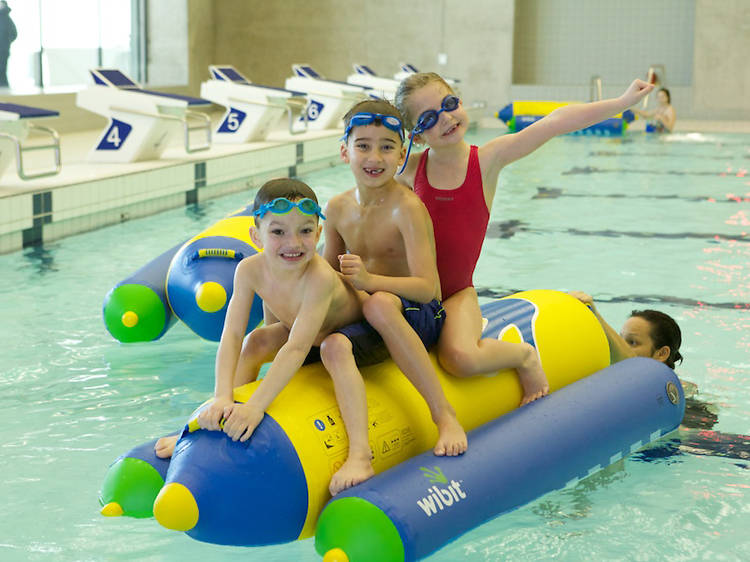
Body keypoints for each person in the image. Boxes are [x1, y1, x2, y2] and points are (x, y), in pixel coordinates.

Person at [392, 73, 654, 404]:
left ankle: (523, 356)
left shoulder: (487, 160)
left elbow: (556, 122)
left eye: (449, 104)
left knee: (461, 358)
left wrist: (622, 103)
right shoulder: (408, 171)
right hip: (412, 292)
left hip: (456, 294)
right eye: (429, 118)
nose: (445, 118)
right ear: (416, 137)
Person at [156, 178, 380, 495]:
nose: (294, 242)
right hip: (308, 334)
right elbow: (232, 335)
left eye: (305, 231)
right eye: (278, 232)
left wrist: (257, 407)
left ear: (318, 234)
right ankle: (219, 420)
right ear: (255, 236)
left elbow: (297, 348)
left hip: (358, 337)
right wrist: (222, 396)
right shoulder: (248, 270)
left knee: (334, 347)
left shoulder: (318, 278)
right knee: (255, 341)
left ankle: (360, 454)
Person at [322, 98, 467, 458]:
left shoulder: (408, 208)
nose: (375, 158)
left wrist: (370, 280)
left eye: (387, 148)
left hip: (420, 315)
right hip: (369, 314)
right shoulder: (337, 208)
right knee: (319, 342)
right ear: (345, 152)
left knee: (381, 304)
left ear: (402, 155)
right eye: (364, 146)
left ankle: (444, 415)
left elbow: (428, 288)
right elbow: (328, 275)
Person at [569, 291, 750, 462]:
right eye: (620, 338)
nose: (619, 346)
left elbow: (632, 366)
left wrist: (594, 313)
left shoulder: (659, 390)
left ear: (662, 353)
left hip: (677, 444)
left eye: (632, 342)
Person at [0, 1, 16, 88]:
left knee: (1, 70)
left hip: (3, 51)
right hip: (3, 49)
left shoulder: (5, 18)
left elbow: (14, 34)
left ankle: (4, 89)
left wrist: (6, 43)